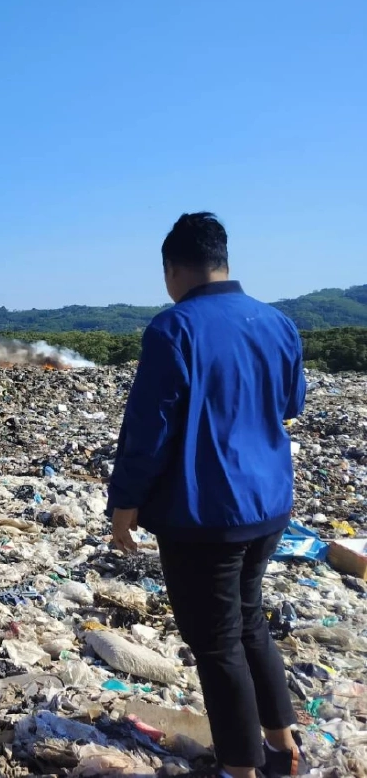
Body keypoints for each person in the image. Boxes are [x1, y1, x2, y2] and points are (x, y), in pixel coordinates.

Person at [107, 213, 308, 778]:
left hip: (205, 515)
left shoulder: (175, 328)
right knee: (250, 625)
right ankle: (283, 746)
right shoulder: (278, 323)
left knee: (218, 646)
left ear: (173, 269)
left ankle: (240, 770)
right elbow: (290, 405)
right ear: (223, 259)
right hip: (268, 507)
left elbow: (149, 431)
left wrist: (125, 506)